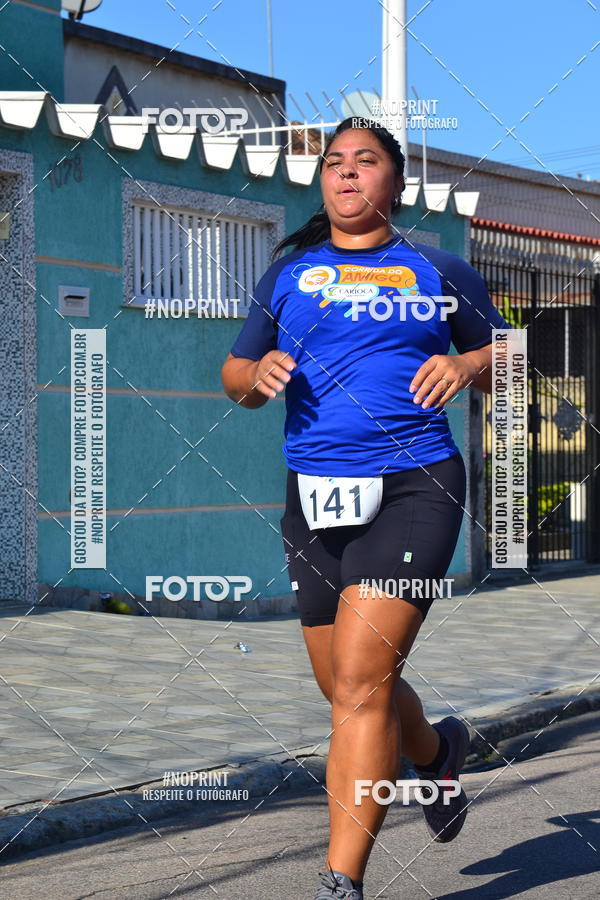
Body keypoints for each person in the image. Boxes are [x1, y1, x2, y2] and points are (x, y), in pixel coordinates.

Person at [221, 117, 510, 900]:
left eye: (366, 162)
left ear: (396, 183)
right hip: (312, 498)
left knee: (359, 684)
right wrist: (257, 374)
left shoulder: (439, 269)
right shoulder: (288, 275)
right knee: (348, 684)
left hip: (417, 487)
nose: (346, 175)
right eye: (334, 164)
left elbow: (510, 356)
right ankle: (434, 754)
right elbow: (236, 372)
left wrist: (469, 360)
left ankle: (340, 881)